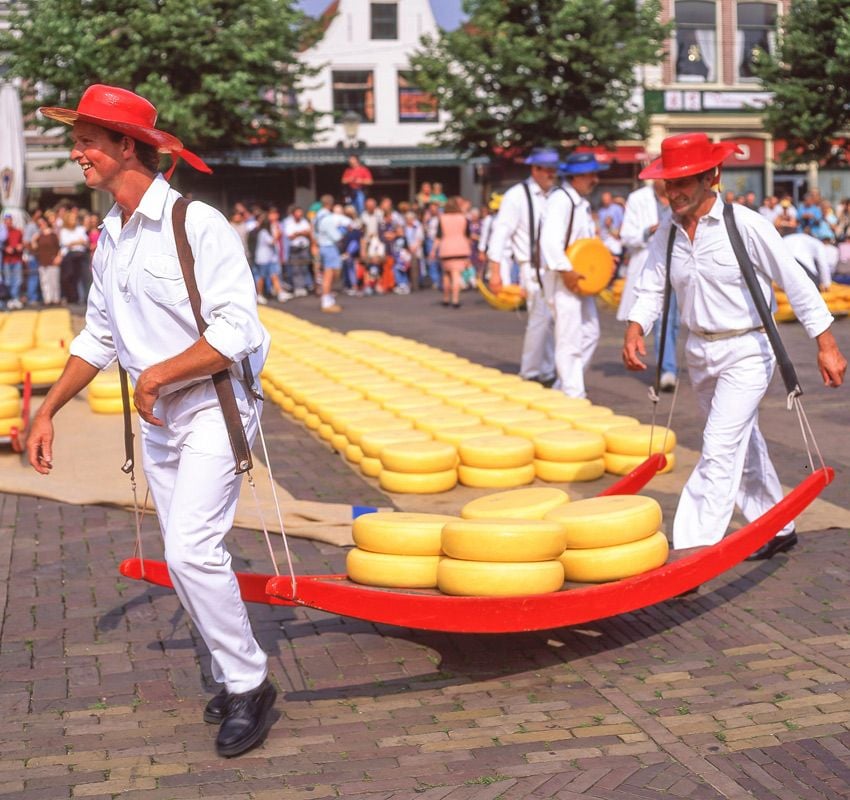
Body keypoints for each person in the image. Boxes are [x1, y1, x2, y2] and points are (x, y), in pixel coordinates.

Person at [28, 84, 277, 757]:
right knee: (184, 555)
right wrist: (47, 408)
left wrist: (163, 373)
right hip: (160, 420)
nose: (76, 152)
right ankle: (233, 671)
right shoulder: (109, 235)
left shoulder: (196, 224)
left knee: (193, 551)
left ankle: (250, 684)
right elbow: (98, 336)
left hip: (213, 407)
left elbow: (238, 330)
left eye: (86, 140)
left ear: (125, 146)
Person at [623, 132, 846, 559]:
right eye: (669, 183)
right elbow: (651, 286)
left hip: (747, 351)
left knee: (719, 445)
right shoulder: (666, 234)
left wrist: (827, 344)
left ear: (712, 176)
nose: (674, 192)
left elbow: (795, 282)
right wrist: (636, 328)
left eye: (683, 181)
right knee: (742, 439)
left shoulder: (744, 225)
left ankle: (692, 548)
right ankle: (777, 525)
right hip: (699, 351)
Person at [539, 152, 610, 398]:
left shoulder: (581, 202)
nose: (595, 180)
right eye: (591, 174)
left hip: (579, 277)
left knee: (590, 332)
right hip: (563, 277)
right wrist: (566, 270)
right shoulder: (562, 200)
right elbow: (549, 241)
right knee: (569, 336)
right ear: (578, 176)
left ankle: (565, 385)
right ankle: (573, 393)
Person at [487, 147, 560, 385]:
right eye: (547, 169)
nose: (552, 174)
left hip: (556, 268)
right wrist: (495, 273)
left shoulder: (558, 195)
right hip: (532, 268)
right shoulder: (517, 196)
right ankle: (529, 372)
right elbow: (500, 235)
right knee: (540, 320)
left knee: (552, 322)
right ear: (534, 169)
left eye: (554, 169)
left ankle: (548, 370)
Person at [617, 179, 677, 390]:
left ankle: (668, 364)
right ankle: (667, 368)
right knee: (662, 319)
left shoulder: (678, 196)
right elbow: (626, 235)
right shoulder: (638, 199)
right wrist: (647, 232)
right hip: (651, 266)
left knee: (673, 322)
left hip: (679, 267)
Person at [430, 196, 471, 307]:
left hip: (446, 248)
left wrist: (433, 251)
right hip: (461, 248)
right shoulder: (463, 218)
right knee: (456, 274)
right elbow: (467, 236)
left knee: (446, 275)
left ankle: (446, 298)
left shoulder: (442, 218)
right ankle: (455, 299)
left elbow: (438, 237)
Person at [314, 195, 348, 312]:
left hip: (322, 245)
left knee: (327, 273)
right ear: (330, 204)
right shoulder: (327, 218)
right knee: (329, 274)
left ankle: (328, 298)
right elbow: (335, 236)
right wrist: (343, 232)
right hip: (329, 247)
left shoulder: (317, 216)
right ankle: (326, 302)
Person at [2, 213, 24, 309]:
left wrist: (20, 246)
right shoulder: (2, 232)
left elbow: (23, 243)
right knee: (7, 280)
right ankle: (8, 299)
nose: (8, 223)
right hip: (6, 260)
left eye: (9, 221)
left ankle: (15, 298)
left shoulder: (18, 231)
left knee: (17, 280)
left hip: (17, 259)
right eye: (6, 221)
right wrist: (5, 248)